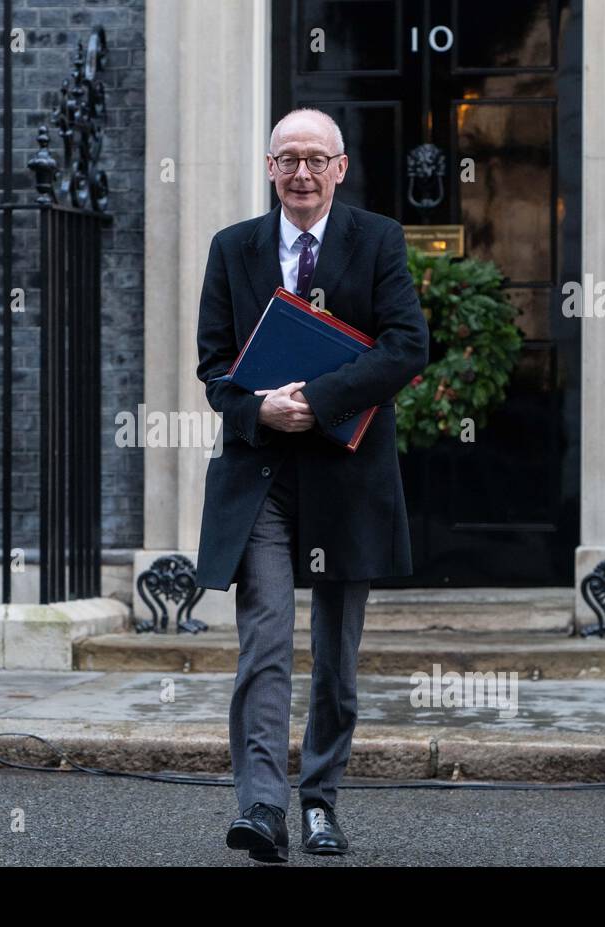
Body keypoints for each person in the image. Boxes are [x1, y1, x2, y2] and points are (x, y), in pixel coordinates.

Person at [194, 108, 429, 862]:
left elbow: (405, 347)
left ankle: (321, 800)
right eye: (287, 158)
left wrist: (317, 402)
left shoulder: (379, 240)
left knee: (335, 655)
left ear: (340, 167)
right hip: (260, 477)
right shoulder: (233, 249)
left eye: (314, 159)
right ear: (269, 168)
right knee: (264, 641)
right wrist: (261, 407)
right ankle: (262, 809)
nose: (301, 172)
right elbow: (214, 368)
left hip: (346, 476)